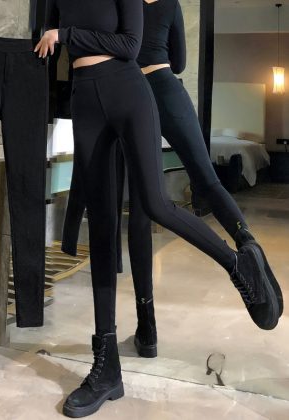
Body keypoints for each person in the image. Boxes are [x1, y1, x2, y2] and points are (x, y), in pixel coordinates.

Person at [0, 1, 280, 416]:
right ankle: (106, 366)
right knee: (102, 228)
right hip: (84, 100)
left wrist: (67, 35)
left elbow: (130, 44)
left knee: (156, 203)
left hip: (127, 92)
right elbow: (42, 45)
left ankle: (238, 265)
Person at [60, 0, 284, 362]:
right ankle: (247, 244)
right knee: (202, 180)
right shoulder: (169, 4)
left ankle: (148, 327)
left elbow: (115, 42)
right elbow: (178, 62)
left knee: (143, 212)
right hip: (156, 87)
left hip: (128, 87)